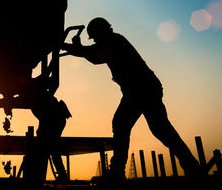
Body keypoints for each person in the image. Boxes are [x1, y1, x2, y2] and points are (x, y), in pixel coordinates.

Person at [62, 17, 201, 180]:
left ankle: (117, 172)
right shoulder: (112, 41)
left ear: (102, 33)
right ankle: (192, 167)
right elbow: (93, 52)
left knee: (125, 125)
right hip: (143, 89)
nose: (96, 40)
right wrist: (75, 48)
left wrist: (73, 47)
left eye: (96, 37)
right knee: (160, 129)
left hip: (141, 89)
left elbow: (95, 56)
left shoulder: (114, 41)